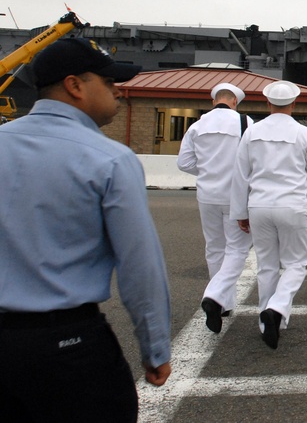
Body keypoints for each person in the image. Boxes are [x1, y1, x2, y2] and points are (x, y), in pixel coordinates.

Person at [0, 37, 172, 420]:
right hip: (66, 346)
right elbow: (139, 266)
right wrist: (155, 347)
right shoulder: (110, 159)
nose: (117, 90)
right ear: (75, 85)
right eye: (107, 81)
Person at [230, 80, 307, 349]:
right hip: (292, 205)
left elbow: (241, 175)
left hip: (259, 205)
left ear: (268, 103)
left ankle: (266, 321)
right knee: (296, 263)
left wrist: (240, 211)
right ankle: (277, 309)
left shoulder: (252, 132)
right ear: (294, 105)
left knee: (267, 266)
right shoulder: (304, 133)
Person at [178, 82, 256, 333]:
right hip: (236, 196)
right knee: (237, 249)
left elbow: (184, 163)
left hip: (207, 194)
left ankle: (224, 304)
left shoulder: (197, 125)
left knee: (214, 248)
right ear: (235, 101)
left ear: (214, 101)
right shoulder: (246, 123)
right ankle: (214, 296)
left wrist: (207, 172)